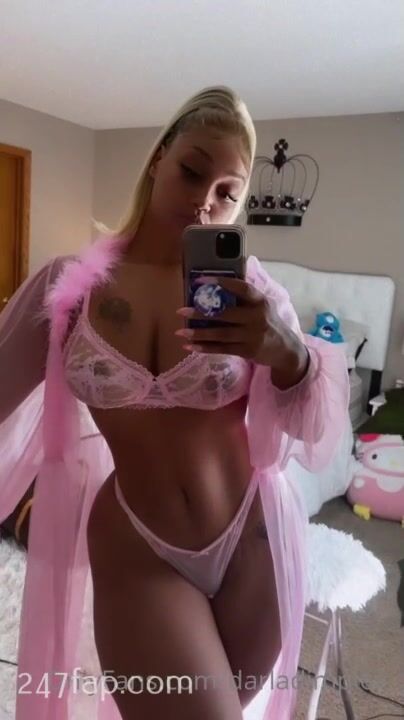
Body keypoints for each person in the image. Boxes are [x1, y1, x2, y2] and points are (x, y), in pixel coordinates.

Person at [0, 85, 349, 720]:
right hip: (140, 545)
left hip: (254, 540)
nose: (205, 200)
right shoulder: (68, 290)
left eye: (227, 192)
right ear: (159, 157)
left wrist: (286, 352)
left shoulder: (252, 294)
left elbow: (315, 429)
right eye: (193, 171)